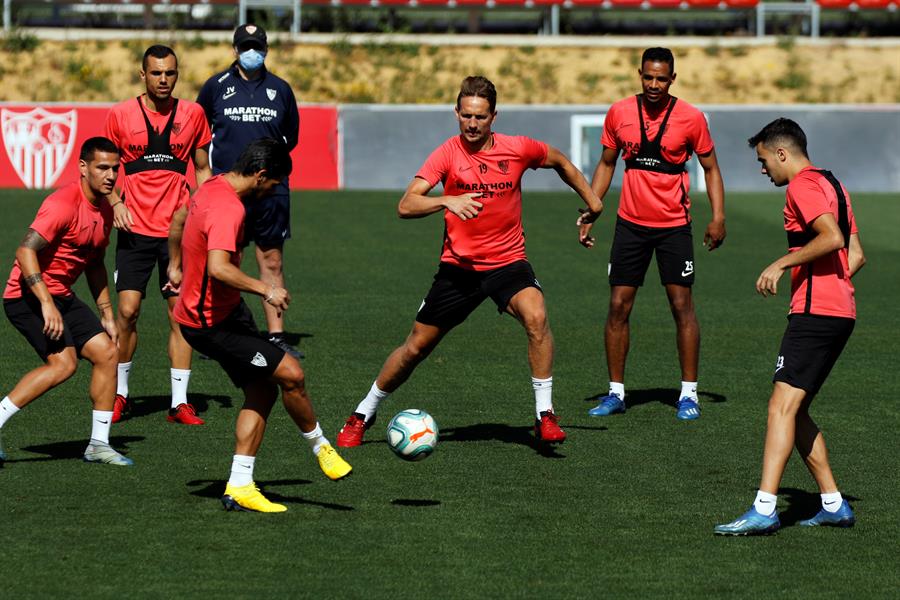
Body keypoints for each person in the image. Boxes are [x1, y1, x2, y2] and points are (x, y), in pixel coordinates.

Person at [336, 76, 603, 449]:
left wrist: (593, 201)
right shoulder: (447, 154)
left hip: (508, 262)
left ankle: (545, 414)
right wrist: (446, 200)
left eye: (480, 117)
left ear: (494, 116)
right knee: (415, 348)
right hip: (459, 270)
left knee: (537, 316)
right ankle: (363, 412)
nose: (472, 124)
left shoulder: (518, 149)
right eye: (466, 116)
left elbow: (560, 161)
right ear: (456, 113)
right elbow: (406, 204)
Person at [169, 139, 351, 513]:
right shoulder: (229, 208)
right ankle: (321, 447)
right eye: (273, 185)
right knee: (292, 374)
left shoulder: (211, 186)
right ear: (260, 175)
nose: (273, 192)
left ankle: (240, 485)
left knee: (263, 389)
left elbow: (179, 218)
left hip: (225, 313)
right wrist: (266, 289)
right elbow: (219, 268)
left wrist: (175, 264)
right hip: (210, 324)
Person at [714, 119, 865, 535]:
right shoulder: (835, 185)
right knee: (795, 412)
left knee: (779, 407)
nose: (763, 169)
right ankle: (833, 504)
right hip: (838, 312)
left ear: (782, 153)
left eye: (764, 160)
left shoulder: (801, 186)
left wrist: (781, 265)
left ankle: (764, 508)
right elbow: (856, 255)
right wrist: (832, 288)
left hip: (816, 315)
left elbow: (832, 238)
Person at [582, 47, 726, 421]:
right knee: (618, 306)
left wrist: (718, 217)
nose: (654, 84)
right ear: (640, 74)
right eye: (648, 77)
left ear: (672, 79)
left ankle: (688, 394)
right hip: (630, 225)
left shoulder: (691, 118)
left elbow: (711, 168)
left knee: (681, 306)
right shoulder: (619, 113)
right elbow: (606, 164)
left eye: (662, 78)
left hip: (674, 227)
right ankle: (616, 393)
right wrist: (592, 208)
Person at [0, 137, 132, 467]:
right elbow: (25, 251)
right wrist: (46, 304)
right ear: (83, 168)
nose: (111, 176)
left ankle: (98, 445)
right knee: (64, 364)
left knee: (108, 352)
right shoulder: (63, 204)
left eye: (115, 168)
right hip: (26, 295)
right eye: (103, 168)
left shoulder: (105, 209)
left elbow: (95, 262)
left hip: (61, 295)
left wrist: (106, 313)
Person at [104, 45, 212, 425]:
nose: (164, 80)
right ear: (143, 75)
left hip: (177, 233)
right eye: (156, 73)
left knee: (180, 314)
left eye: (170, 73)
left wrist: (207, 213)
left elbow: (202, 169)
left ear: (177, 75)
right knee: (127, 312)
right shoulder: (120, 115)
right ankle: (120, 394)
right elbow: (105, 169)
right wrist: (116, 202)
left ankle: (179, 403)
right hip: (134, 230)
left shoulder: (194, 114)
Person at [196, 23, 302, 359]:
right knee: (225, 259)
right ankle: (218, 330)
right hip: (228, 191)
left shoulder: (281, 89)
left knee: (272, 259)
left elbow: (291, 138)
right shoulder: (215, 87)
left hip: (271, 190)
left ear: (266, 50)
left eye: (257, 46)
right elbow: (199, 134)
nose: (251, 52)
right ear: (235, 50)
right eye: (245, 46)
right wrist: (205, 180)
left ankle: (276, 336)